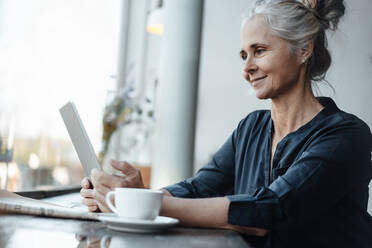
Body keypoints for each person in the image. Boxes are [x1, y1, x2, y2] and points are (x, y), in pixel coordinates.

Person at [80, 0, 372, 247]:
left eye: (259, 51)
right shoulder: (251, 128)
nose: (246, 68)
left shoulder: (347, 136)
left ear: (304, 50)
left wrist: (143, 205)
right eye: (244, 55)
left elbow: (270, 211)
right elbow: (198, 188)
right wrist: (135, 195)